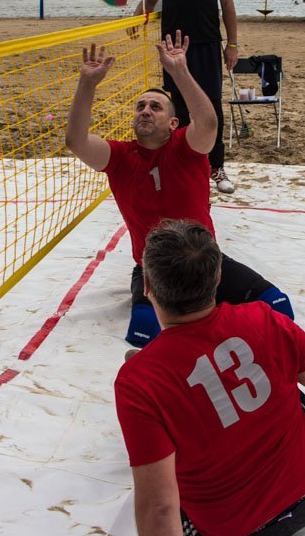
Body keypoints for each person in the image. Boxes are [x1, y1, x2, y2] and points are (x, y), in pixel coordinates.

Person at [114, 220, 305, 536]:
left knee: (168, 426)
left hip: (228, 534)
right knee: (284, 382)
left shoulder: (137, 383)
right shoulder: (265, 320)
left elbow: (159, 509)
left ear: (146, 286)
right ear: (218, 277)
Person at [65, 34, 293, 350]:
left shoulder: (187, 146)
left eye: (155, 106)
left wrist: (179, 71)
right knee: (143, 333)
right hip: (154, 269)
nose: (145, 110)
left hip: (203, 260)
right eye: (140, 106)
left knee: (280, 307)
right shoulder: (119, 157)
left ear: (173, 123)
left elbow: (208, 123)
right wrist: (88, 84)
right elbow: (76, 141)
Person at [142, 0, 240, 194]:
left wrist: (232, 43)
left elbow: (227, 3)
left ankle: (216, 166)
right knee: (180, 108)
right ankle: (184, 166)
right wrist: (137, 18)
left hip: (207, 44)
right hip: (174, 48)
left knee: (211, 107)